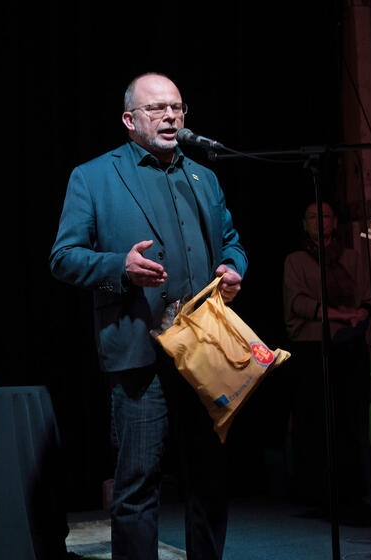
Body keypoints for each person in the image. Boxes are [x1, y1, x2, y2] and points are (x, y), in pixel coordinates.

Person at [49, 73, 247, 560]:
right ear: (129, 119)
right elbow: (63, 257)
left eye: (177, 107)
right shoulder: (94, 176)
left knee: (209, 480)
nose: (170, 116)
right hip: (141, 351)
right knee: (137, 485)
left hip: (205, 349)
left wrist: (233, 268)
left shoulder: (203, 177)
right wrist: (119, 267)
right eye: (157, 108)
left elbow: (232, 242)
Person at [282, 201, 371, 506]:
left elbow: (367, 297)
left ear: (334, 222)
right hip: (312, 346)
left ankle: (353, 489)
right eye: (313, 217)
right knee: (313, 419)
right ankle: (314, 490)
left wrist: (359, 315)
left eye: (326, 216)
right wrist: (342, 315)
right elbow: (299, 304)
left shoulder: (351, 258)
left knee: (350, 417)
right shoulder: (296, 260)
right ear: (304, 223)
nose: (320, 221)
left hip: (348, 343)